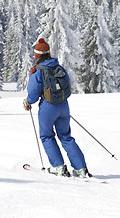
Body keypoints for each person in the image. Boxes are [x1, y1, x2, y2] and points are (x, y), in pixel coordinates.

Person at [23, 38, 91, 178]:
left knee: (47, 136)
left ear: (37, 55)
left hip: (48, 107)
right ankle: (81, 169)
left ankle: (58, 167)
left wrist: (28, 102)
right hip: (63, 106)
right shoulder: (59, 67)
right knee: (66, 136)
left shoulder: (38, 71)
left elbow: (34, 93)